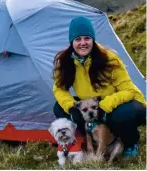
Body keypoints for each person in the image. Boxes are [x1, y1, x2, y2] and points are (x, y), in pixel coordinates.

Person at [52, 16, 146, 157]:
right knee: (59, 107)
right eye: (78, 39)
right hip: (92, 106)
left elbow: (129, 91)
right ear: (72, 42)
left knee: (120, 116)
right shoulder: (66, 62)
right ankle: (92, 138)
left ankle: (130, 142)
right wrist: (71, 107)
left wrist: (104, 106)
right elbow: (59, 88)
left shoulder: (109, 59)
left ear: (93, 40)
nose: (83, 43)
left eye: (87, 38)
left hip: (119, 104)